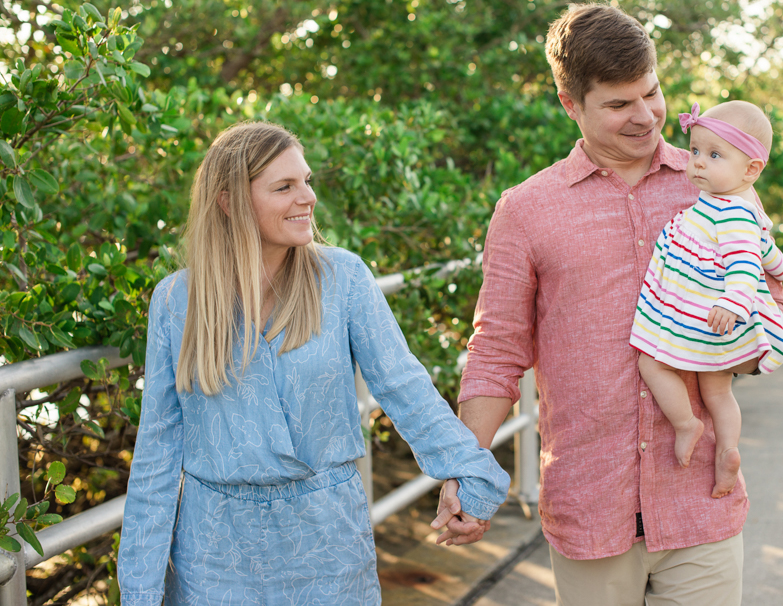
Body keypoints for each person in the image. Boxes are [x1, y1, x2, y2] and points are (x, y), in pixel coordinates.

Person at [436, 3, 783, 604]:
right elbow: (496, 350)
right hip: (589, 505)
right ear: (571, 104)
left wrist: (741, 350)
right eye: (619, 104)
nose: (646, 116)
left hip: (700, 500)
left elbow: (773, 295)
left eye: (651, 93)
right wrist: (465, 471)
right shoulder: (525, 211)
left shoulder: (716, 181)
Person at [117, 121, 510, 606]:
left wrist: (473, 477)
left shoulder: (342, 277)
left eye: (306, 181)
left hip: (328, 543)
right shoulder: (177, 301)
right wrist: (138, 591)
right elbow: (157, 452)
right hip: (214, 553)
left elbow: (405, 389)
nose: (307, 197)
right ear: (229, 201)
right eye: (284, 186)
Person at [631, 100, 783, 501]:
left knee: (649, 361)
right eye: (696, 151)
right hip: (717, 325)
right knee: (719, 392)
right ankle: (727, 451)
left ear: (751, 169)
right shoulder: (735, 208)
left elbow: (743, 266)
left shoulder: (732, 215)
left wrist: (735, 303)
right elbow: (764, 250)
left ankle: (685, 423)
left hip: (711, 320)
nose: (699, 163)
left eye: (715, 155)